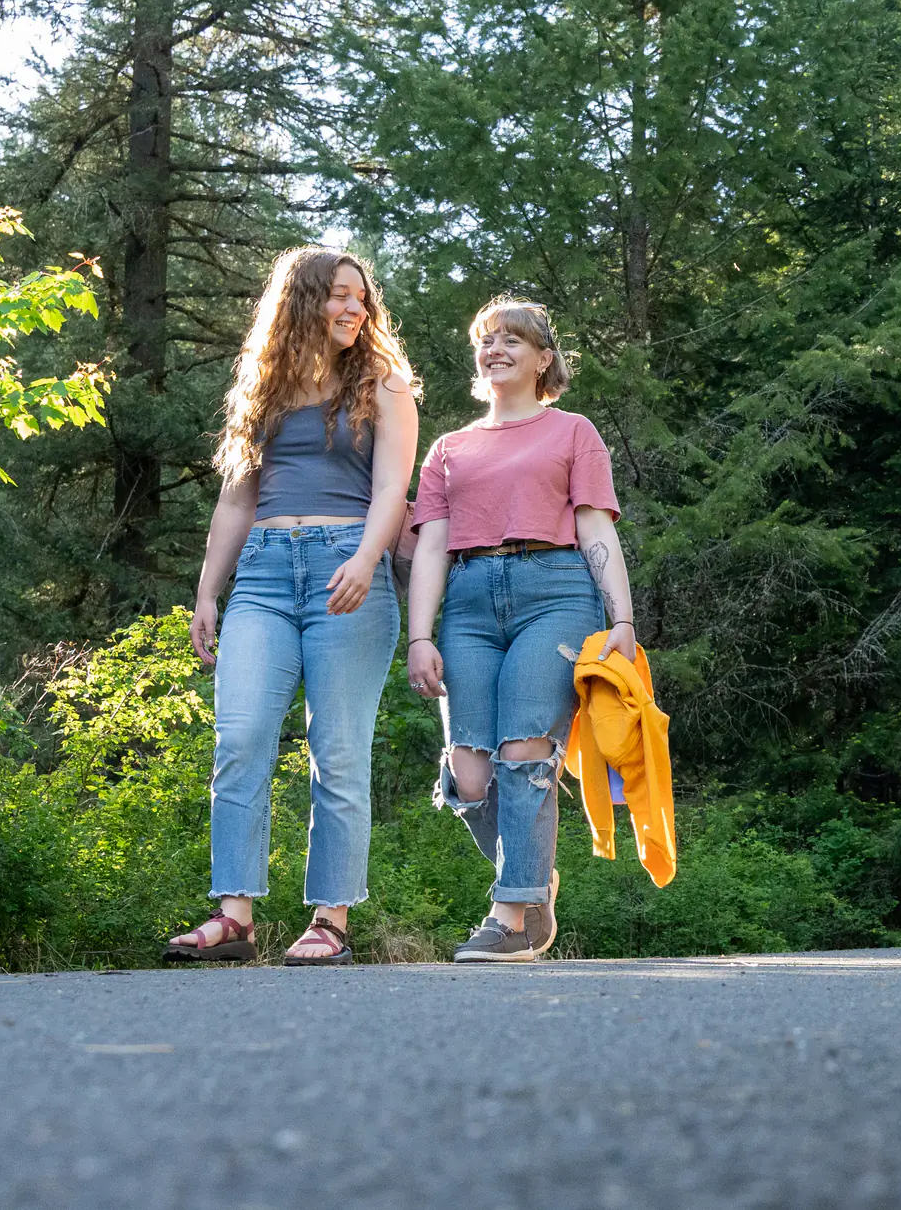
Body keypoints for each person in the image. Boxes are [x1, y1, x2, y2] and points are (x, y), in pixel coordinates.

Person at [164, 248, 419, 967]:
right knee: (240, 738)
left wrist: (367, 560)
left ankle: (330, 919)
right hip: (265, 577)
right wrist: (208, 590)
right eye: (340, 295)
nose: (355, 310)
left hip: (347, 567)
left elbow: (391, 491)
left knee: (336, 751)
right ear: (303, 299)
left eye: (362, 299)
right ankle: (234, 916)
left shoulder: (384, 384)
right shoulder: (264, 387)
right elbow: (237, 497)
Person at [403, 298, 637, 963]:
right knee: (469, 775)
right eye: (486, 339)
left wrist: (621, 617)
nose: (496, 348)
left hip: (555, 592)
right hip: (470, 604)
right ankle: (534, 879)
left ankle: (511, 914)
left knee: (527, 752)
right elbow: (430, 548)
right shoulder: (450, 448)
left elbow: (595, 526)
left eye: (514, 338)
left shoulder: (573, 432)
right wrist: (421, 636)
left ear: (544, 358)